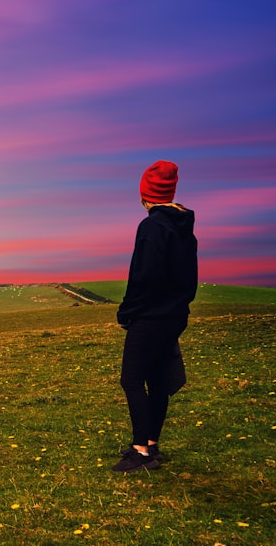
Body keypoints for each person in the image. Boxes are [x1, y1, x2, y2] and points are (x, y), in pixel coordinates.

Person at [112, 160, 198, 473]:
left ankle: (141, 452)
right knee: (158, 381)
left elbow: (143, 278)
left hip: (150, 317)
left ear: (145, 194)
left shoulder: (151, 228)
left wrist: (127, 312)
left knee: (132, 379)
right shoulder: (183, 228)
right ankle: (152, 443)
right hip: (174, 315)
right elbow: (188, 279)